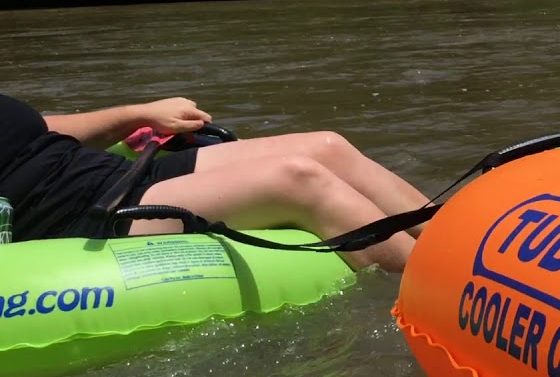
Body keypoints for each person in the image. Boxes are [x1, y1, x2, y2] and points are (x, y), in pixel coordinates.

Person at [0, 94, 427, 271]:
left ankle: (456, 239)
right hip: (71, 216)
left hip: (103, 173)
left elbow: (37, 129)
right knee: (298, 180)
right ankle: (450, 295)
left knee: (327, 147)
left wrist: (139, 114)